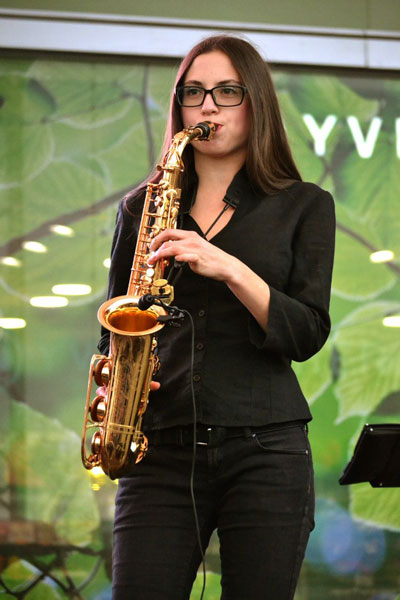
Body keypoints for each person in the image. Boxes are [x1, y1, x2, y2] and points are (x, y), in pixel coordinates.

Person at [98, 34, 335, 600]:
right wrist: (115, 379)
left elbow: (306, 333)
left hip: (266, 450)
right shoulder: (141, 208)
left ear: (257, 102)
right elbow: (114, 323)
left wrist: (229, 268)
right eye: (194, 93)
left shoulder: (305, 204)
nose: (208, 106)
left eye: (228, 91)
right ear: (179, 106)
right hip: (159, 449)